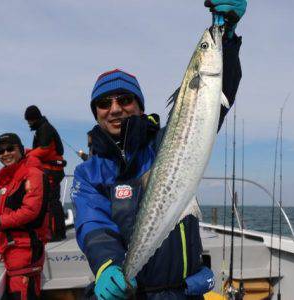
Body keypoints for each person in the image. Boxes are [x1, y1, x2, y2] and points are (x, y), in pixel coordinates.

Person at [71, 1, 246, 299]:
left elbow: (213, 101)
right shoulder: (88, 173)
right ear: (96, 113)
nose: (115, 109)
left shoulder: (166, 141)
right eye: (104, 103)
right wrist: (107, 266)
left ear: (139, 105)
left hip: (185, 293)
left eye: (124, 99)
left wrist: (225, 34)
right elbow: (93, 225)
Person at [0, 133, 49, 299]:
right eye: (0, 151)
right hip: (14, 251)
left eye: (10, 149)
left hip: (25, 252)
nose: (5, 154)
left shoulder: (32, 174)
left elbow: (31, 213)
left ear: (21, 150)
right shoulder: (11, 177)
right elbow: (15, 209)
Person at [24, 105, 67, 241]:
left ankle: (55, 234)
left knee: (51, 201)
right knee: (52, 201)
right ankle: (57, 232)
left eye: (29, 120)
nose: (29, 123)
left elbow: (44, 150)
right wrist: (29, 151)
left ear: (33, 118)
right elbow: (43, 149)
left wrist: (27, 156)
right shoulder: (43, 128)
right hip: (53, 170)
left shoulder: (45, 128)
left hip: (52, 171)